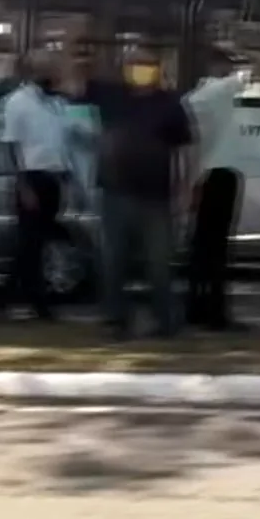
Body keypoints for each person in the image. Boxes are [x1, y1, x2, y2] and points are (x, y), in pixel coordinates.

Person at [75, 44, 192, 340]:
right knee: (113, 260)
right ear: (125, 67)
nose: (141, 68)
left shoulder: (170, 104)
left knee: (160, 263)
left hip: (156, 196)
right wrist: (78, 49)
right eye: (135, 63)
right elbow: (73, 82)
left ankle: (166, 322)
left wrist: (184, 188)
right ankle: (116, 320)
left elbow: (183, 150)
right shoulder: (111, 95)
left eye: (148, 63)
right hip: (116, 193)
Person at [184, 43, 260, 332]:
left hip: (202, 176)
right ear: (219, 66)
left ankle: (195, 307)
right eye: (228, 63)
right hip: (222, 175)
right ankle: (216, 314)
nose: (232, 68)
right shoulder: (221, 90)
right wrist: (244, 51)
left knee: (200, 246)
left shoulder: (193, 97)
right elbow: (259, 67)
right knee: (217, 248)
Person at [0, 51, 73, 321]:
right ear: (32, 72)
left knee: (34, 243)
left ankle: (6, 297)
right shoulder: (17, 102)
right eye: (48, 68)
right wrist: (22, 185)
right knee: (31, 242)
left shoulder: (57, 103)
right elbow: (11, 145)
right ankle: (36, 302)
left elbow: (62, 142)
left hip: (54, 177)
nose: (55, 73)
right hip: (31, 177)